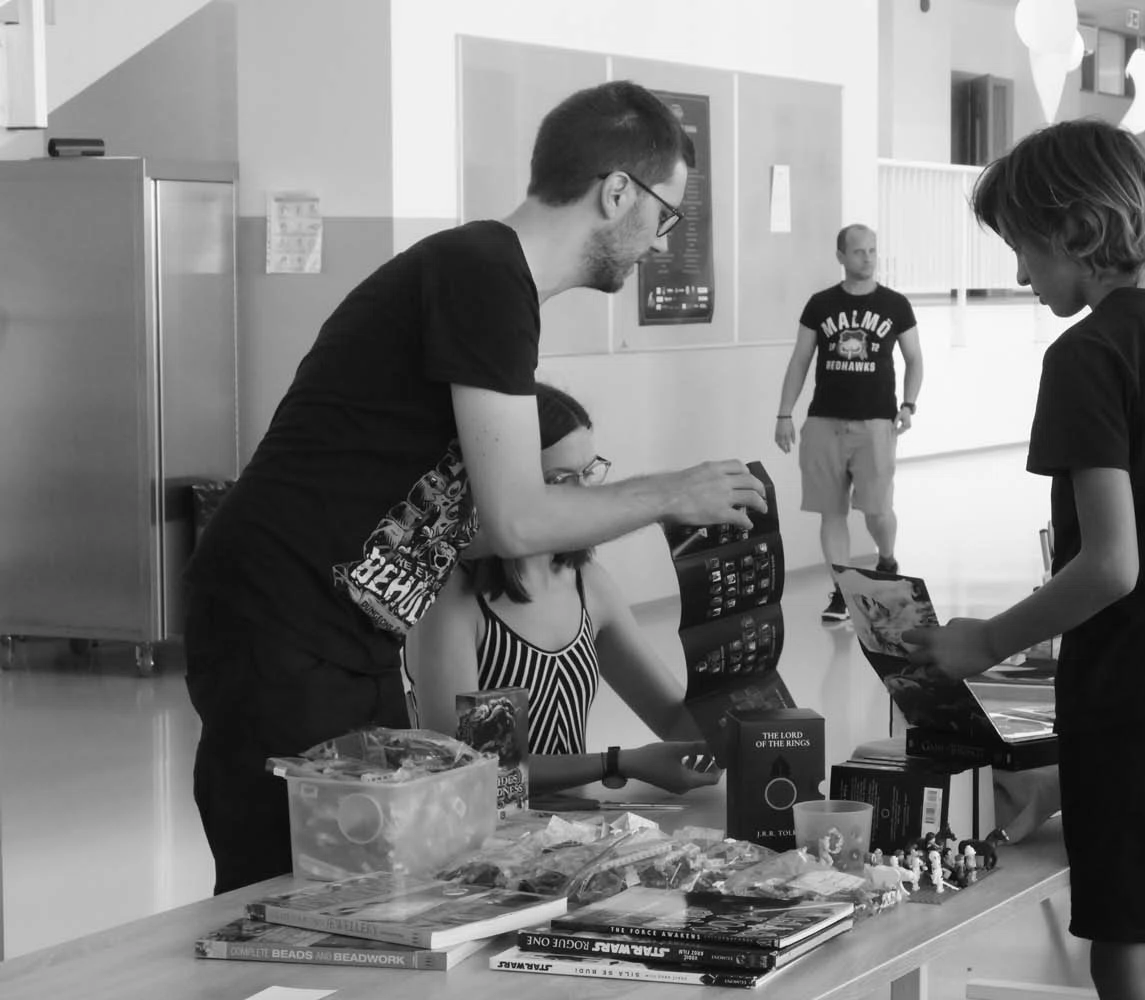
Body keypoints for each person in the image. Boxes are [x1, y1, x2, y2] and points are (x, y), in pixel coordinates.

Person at [183, 81, 767, 895]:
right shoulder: (484, 274)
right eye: (664, 215)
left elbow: (485, 523)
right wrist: (672, 493)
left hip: (351, 625)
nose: (660, 244)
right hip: (281, 612)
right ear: (617, 192)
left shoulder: (492, 282)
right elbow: (520, 518)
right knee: (292, 887)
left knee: (384, 876)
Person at [903, 119, 1145, 1000]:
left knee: (1135, 947)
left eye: (1024, 250)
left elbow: (1113, 565)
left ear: (1078, 231)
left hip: (1139, 692)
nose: (1019, 276)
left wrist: (986, 642)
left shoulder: (1088, 353)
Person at [408, 385, 721, 795]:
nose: (586, 497)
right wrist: (617, 763)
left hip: (574, 827)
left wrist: (741, 704)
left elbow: (673, 719)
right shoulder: (454, 599)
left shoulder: (586, 581)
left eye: (589, 473)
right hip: (493, 830)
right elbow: (474, 771)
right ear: (494, 485)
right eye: (559, 479)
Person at [773, 224, 923, 622]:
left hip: (876, 423)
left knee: (878, 512)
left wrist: (909, 404)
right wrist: (784, 413)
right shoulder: (820, 305)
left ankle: (886, 560)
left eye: (872, 250)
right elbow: (800, 361)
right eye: (858, 251)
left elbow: (915, 360)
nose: (867, 257)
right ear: (840, 256)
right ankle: (843, 591)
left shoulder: (895, 305)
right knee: (832, 512)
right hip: (824, 422)